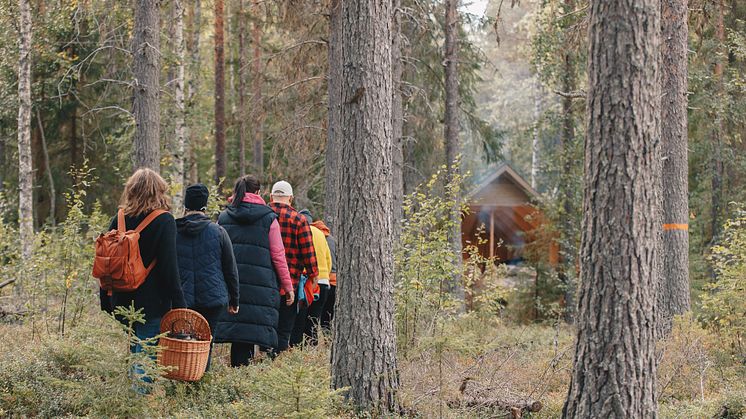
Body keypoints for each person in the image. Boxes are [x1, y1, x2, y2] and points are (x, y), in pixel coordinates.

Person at [99, 168, 186, 385]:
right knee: (145, 356)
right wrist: (180, 303)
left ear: (131, 190)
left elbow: (106, 261)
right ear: (159, 192)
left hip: (119, 298)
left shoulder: (118, 218)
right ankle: (138, 406)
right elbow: (169, 267)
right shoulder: (164, 221)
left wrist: (105, 299)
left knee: (134, 351)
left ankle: (129, 402)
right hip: (152, 302)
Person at [214, 176, 295, 366]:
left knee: (238, 335)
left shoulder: (224, 217)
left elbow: (215, 251)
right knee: (253, 332)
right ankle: (252, 380)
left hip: (232, 286)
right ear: (258, 193)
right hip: (261, 287)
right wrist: (288, 286)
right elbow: (278, 256)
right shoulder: (268, 218)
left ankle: (237, 377)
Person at [175, 183, 240, 370]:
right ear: (205, 206)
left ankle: (182, 382)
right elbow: (230, 269)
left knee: (181, 343)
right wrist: (234, 300)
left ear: (186, 206)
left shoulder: (173, 231)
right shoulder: (218, 232)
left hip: (182, 299)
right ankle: (202, 381)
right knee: (205, 343)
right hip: (213, 299)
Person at [268, 180, 319, 352]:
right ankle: (277, 364)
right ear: (291, 198)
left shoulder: (263, 216)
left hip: (264, 283)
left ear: (271, 196)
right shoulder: (299, 220)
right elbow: (308, 252)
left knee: (266, 328)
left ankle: (260, 364)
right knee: (284, 330)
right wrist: (313, 275)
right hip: (290, 283)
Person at [297, 210, 332, 345]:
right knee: (313, 321)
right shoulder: (320, 234)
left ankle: (298, 352)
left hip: (308, 280)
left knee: (301, 320)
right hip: (323, 281)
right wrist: (325, 276)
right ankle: (312, 349)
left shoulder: (302, 231)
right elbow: (328, 260)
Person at [311, 219, 337, 331]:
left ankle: (314, 340)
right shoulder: (332, 240)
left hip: (320, 279)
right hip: (334, 281)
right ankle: (327, 339)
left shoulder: (313, 238)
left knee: (315, 316)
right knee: (328, 316)